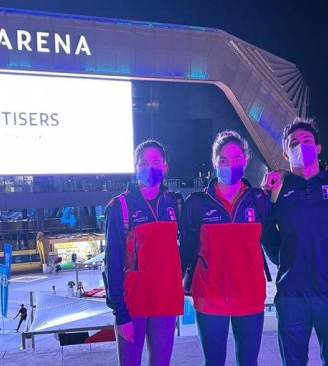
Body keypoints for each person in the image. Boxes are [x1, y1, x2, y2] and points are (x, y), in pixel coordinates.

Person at [259, 119, 328, 366]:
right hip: (292, 295)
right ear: (285, 153)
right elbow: (268, 235)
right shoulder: (277, 188)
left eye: (307, 141)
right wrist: (287, 261)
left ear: (318, 148)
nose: (301, 146)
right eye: (294, 143)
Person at [180, 131, 271, 366]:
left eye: (237, 159)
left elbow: (274, 243)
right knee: (213, 362)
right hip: (209, 297)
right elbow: (186, 250)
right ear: (214, 162)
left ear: (245, 161)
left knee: (248, 362)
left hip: (249, 296)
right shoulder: (197, 203)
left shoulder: (259, 200)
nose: (230, 165)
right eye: (223, 160)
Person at [103, 140, 183, 366]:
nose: (150, 167)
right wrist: (120, 312)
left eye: (156, 162)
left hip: (165, 305)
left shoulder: (174, 203)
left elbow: (184, 249)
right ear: (136, 166)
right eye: (144, 163)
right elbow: (112, 263)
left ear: (165, 167)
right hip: (133, 305)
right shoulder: (120, 206)